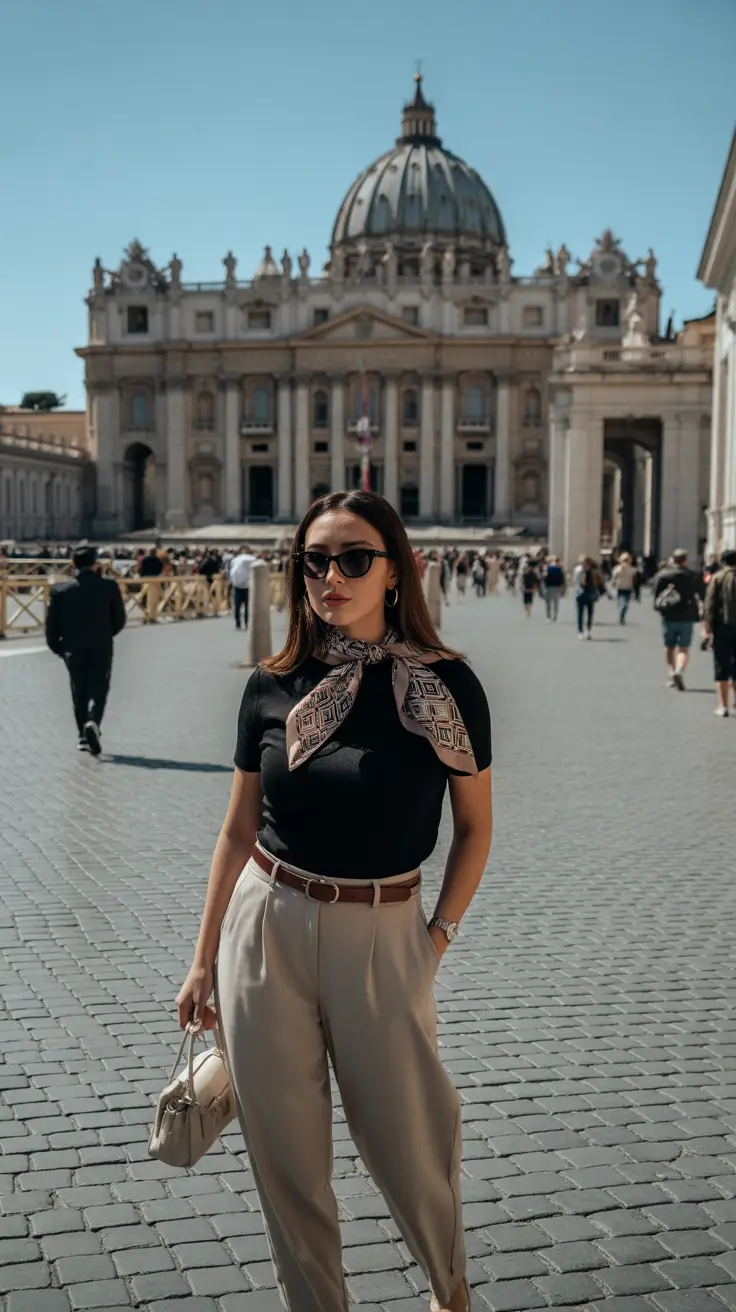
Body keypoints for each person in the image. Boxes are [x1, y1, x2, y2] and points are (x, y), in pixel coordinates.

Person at [176, 490, 492, 1312]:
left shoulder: (447, 687)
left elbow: (475, 829)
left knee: (412, 1142)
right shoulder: (271, 685)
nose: (332, 576)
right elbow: (240, 824)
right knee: (284, 1160)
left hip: (386, 933)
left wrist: (437, 938)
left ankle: (449, 1291)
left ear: (396, 572)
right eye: (315, 560)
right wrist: (204, 957)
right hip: (265, 926)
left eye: (355, 558)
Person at [45, 544, 126, 755]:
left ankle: (82, 736)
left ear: (73, 565)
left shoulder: (60, 591)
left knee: (78, 690)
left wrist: (59, 648)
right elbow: (119, 620)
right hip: (101, 646)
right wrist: (107, 634)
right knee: (99, 688)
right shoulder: (109, 587)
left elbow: (51, 626)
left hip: (73, 648)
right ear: (95, 564)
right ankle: (93, 721)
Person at [652, 548, 703, 691]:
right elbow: (702, 594)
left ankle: (671, 673)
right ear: (685, 560)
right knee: (684, 647)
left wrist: (659, 608)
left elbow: (656, 595)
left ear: (673, 560)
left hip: (669, 615)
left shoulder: (663, 575)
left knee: (669, 647)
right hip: (687, 615)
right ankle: (680, 670)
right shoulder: (693, 575)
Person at [703, 548, 736, 717]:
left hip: (722, 627)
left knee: (721, 666)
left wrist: (707, 629)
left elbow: (709, 606)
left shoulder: (717, 578)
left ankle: (723, 706)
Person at [229, 543, 258, 630]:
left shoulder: (235, 560)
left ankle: (238, 623)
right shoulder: (253, 559)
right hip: (249, 584)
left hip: (237, 585)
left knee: (237, 605)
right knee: (247, 606)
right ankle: (247, 623)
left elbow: (231, 571)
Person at [572, 555, 601, 639]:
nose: (582, 564)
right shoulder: (578, 570)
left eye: (584, 562)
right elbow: (575, 581)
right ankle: (580, 631)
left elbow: (599, 580)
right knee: (580, 613)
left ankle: (588, 630)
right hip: (580, 592)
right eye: (581, 562)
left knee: (590, 612)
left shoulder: (594, 570)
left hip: (591, 592)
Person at [612, 552, 637, 625]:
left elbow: (634, 580)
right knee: (623, 603)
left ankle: (621, 616)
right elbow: (614, 577)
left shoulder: (632, 570)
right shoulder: (617, 569)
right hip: (620, 587)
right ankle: (621, 617)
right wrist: (613, 583)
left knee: (625, 604)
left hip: (628, 588)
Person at [542, 555, 566, 622]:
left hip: (549, 586)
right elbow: (563, 578)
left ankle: (549, 617)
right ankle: (555, 616)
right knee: (556, 602)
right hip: (557, 586)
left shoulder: (547, 567)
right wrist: (564, 587)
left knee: (548, 602)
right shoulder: (560, 568)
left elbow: (544, 576)